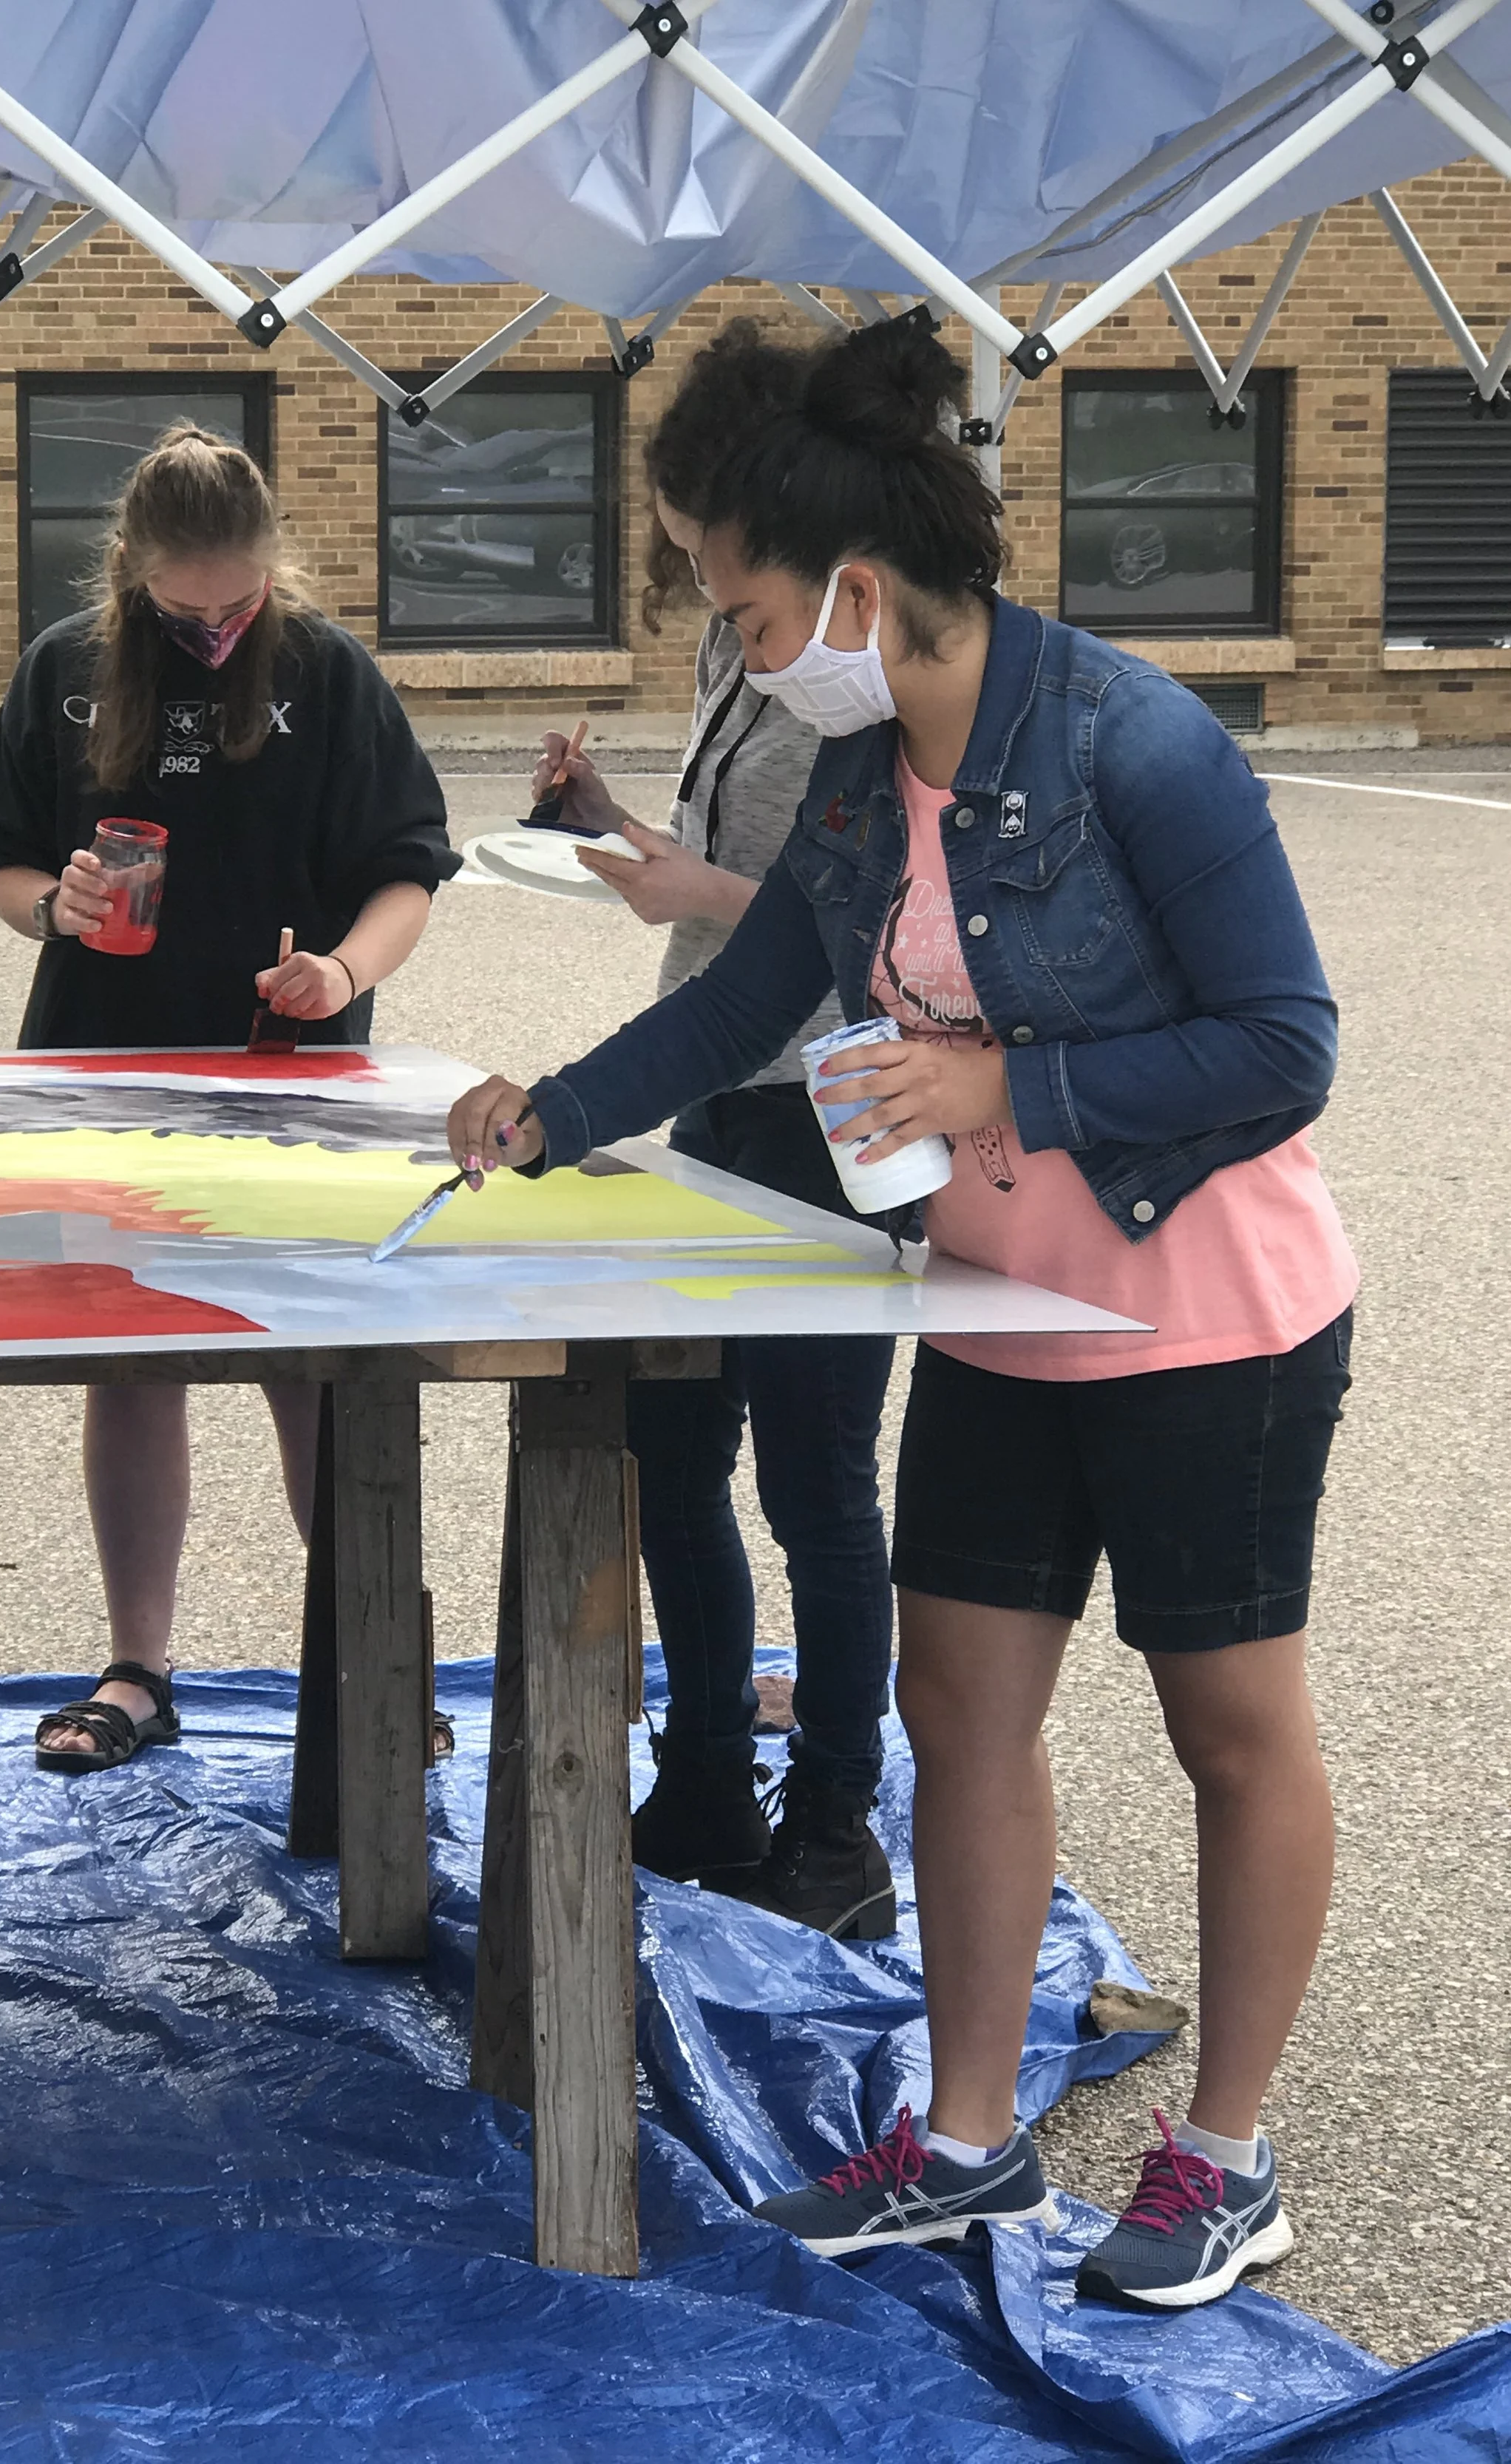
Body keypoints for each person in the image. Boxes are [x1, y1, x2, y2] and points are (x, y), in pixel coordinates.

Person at [444, 311, 1356, 2313]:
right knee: (956, 1708)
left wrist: (1001, 1090)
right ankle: (962, 2142)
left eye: (740, 604)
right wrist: (551, 1109)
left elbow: (1285, 1046)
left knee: (1225, 1723)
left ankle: (1224, 2152)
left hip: (1211, 1317)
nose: (736, 643)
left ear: (854, 588)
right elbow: (744, 993)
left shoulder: (1136, 741)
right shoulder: (864, 776)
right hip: (998, 1307)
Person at [0, 424, 457, 1774]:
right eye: (186, 609)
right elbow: (3, 861)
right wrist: (48, 907)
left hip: (286, 1073)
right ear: (133, 570)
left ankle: (375, 1662)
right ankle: (138, 1666)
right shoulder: (66, 669)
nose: (216, 629)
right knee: (132, 1369)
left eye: (239, 603)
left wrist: (343, 970)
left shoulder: (328, 672)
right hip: (104, 1063)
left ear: (271, 567)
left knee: (313, 1373)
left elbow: (410, 867)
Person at [529, 321, 900, 1939]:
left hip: (837, 1092)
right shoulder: (734, 654)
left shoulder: (871, 680)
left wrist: (700, 894)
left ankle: (832, 1815)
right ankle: (696, 1772)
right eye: (686, 564)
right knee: (672, 1449)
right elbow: (705, 870)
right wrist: (610, 823)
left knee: (817, 1481)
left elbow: (871, 922)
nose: (702, 601)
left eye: (720, 573)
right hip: (722, 1092)